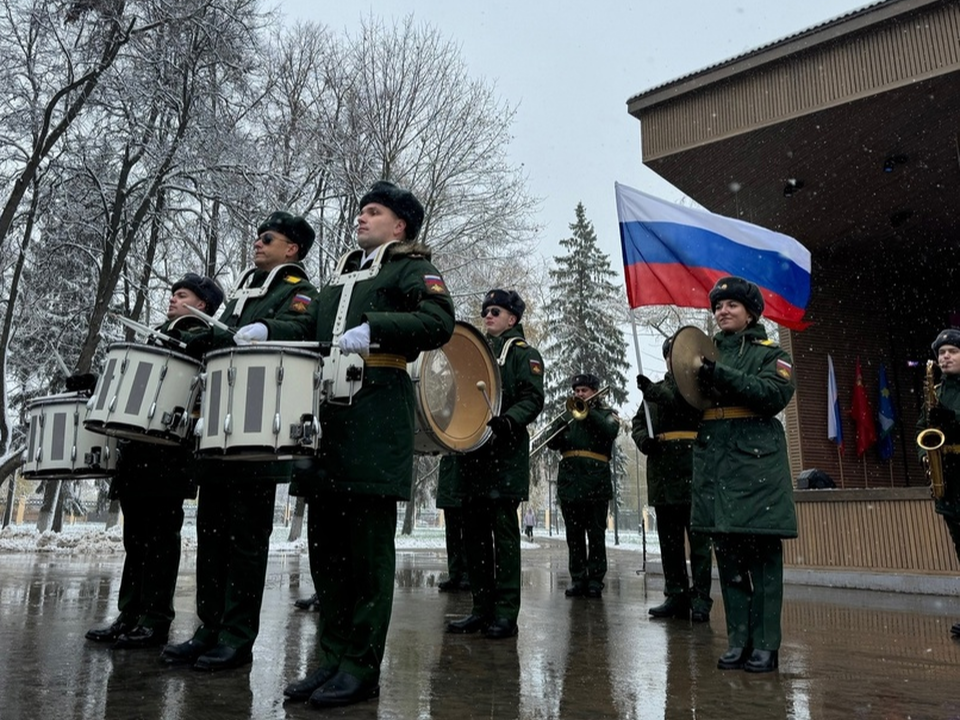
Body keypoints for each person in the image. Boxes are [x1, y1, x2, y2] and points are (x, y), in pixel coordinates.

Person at [283, 181, 455, 708]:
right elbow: (306, 322)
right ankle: (331, 659)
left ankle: (362, 667)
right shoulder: (343, 274)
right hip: (326, 420)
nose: (360, 218)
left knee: (367, 557)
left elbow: (439, 321)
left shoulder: (410, 269)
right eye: (359, 210)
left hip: (376, 413)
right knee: (326, 552)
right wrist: (266, 329)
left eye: (372, 211)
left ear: (399, 225)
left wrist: (374, 327)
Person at [160, 211, 318, 672]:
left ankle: (236, 637)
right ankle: (208, 628)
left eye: (266, 238)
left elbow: (303, 330)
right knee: (211, 538)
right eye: (257, 235)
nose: (257, 242)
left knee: (246, 543)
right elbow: (220, 335)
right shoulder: (247, 289)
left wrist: (268, 330)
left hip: (258, 430)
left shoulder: (298, 291)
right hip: (219, 429)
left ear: (290, 248)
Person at [84, 274, 223, 649]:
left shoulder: (206, 338)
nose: (172, 300)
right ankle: (130, 613)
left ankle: (155, 618)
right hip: (140, 451)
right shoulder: (158, 334)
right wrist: (96, 384)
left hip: (170, 452)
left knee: (160, 539)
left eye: (182, 295)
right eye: (172, 294)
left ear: (203, 305)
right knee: (136, 539)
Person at [692, 276, 796, 673]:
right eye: (718, 307)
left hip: (756, 466)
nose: (722, 311)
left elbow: (773, 395)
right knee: (729, 558)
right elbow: (689, 402)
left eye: (731, 305)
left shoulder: (772, 352)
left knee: (764, 560)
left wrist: (722, 375)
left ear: (751, 312)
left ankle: (766, 644)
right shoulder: (705, 353)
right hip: (716, 464)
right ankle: (738, 639)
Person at [446, 289, 545, 639]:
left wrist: (509, 420)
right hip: (473, 456)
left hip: (503, 456)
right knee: (473, 536)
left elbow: (534, 398)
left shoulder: (523, 355)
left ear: (512, 319)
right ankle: (480, 609)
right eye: (486, 310)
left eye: (496, 311)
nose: (488, 315)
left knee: (503, 538)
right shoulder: (477, 354)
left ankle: (505, 613)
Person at [633, 336, 713, 622]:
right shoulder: (654, 391)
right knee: (669, 541)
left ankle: (701, 597)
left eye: (677, 353)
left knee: (699, 541)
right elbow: (638, 422)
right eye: (669, 354)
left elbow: (684, 407)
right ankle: (676, 595)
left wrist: (655, 392)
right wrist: (644, 441)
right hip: (663, 471)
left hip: (692, 467)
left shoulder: (697, 385)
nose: (672, 359)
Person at [545, 373, 619, 598]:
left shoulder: (607, 414)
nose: (579, 394)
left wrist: (588, 413)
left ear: (594, 392)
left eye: (584, 391)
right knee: (574, 534)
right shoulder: (568, 416)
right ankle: (577, 578)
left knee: (596, 534)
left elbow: (610, 432)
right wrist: (563, 421)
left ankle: (596, 579)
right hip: (570, 482)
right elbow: (551, 441)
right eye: (576, 391)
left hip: (596, 482)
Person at [918, 328, 960, 639]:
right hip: (949, 477)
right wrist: (924, 453)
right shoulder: (936, 390)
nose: (944, 357)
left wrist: (953, 420)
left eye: (952, 352)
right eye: (941, 352)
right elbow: (923, 428)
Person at [436, 455, 470, 592]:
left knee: (467, 534)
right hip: (449, 481)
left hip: (463, 478)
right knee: (452, 534)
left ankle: (467, 574)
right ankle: (455, 574)